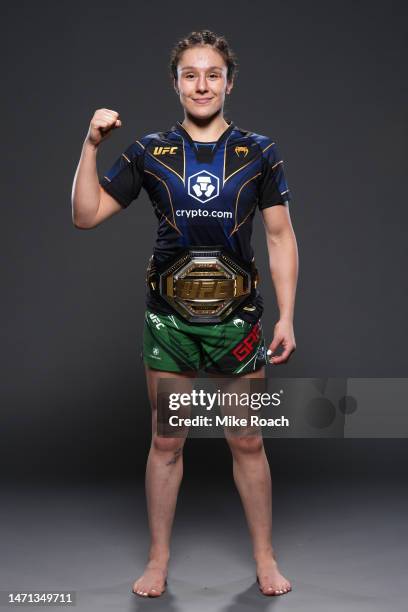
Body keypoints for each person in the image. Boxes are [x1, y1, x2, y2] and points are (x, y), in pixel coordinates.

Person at [71, 29, 298, 598]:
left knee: (246, 439)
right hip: (169, 321)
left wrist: (287, 317)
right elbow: (86, 214)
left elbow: (280, 238)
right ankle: (158, 560)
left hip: (238, 319)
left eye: (213, 73)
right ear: (175, 84)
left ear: (229, 82)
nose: (202, 84)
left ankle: (265, 559)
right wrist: (91, 145)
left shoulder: (259, 151)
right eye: (190, 74)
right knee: (169, 439)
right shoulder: (149, 150)